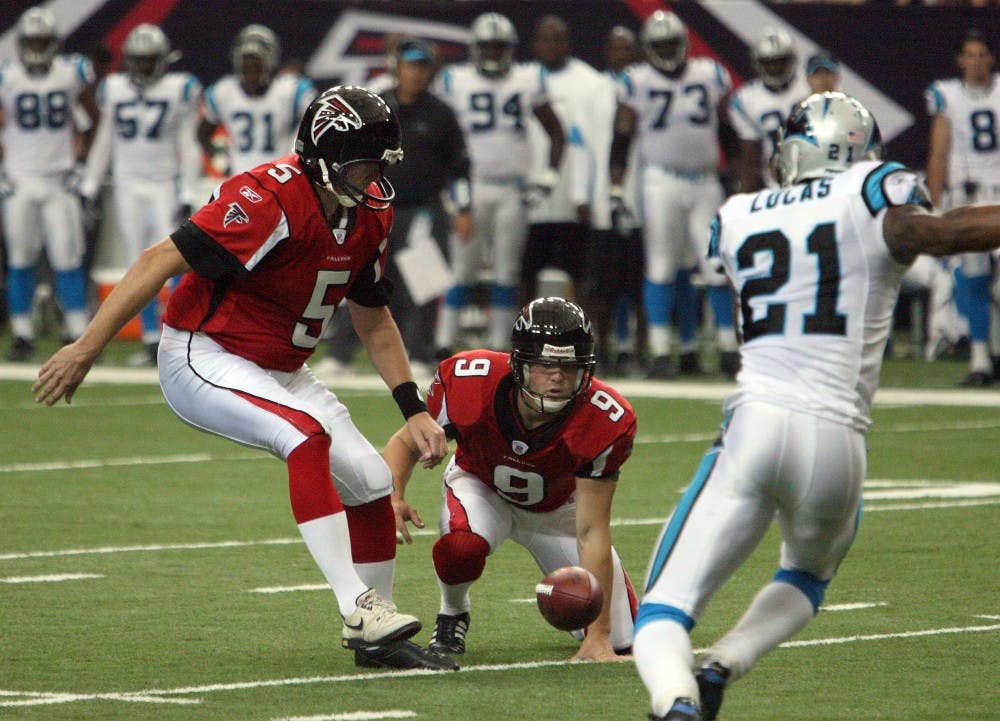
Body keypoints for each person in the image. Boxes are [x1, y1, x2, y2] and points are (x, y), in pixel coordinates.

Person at [33, 86, 457, 672]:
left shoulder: (369, 212)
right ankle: (356, 605)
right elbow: (159, 259)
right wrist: (87, 348)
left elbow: (372, 314)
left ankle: (375, 637)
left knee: (371, 480)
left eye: (380, 164)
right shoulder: (269, 198)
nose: (375, 179)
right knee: (305, 434)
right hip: (203, 352)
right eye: (363, 163)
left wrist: (411, 406)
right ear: (325, 157)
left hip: (283, 365)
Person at [632, 91, 1000, 721]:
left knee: (662, 612)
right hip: (839, 444)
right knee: (806, 577)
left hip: (757, 425)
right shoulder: (870, 189)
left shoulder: (738, 214)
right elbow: (938, 234)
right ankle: (726, 660)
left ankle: (676, 703)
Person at [386, 297, 639, 662]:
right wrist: (392, 495)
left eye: (570, 367)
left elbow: (592, 529)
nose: (558, 377)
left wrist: (598, 635)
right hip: (482, 487)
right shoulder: (470, 380)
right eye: (546, 364)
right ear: (519, 364)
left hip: (558, 511)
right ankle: (452, 613)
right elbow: (406, 441)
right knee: (461, 548)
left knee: (621, 641)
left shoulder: (605, 417)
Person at [315, 37, 473, 381]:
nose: (415, 74)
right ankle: (341, 354)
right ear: (396, 67)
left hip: (424, 210)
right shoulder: (379, 108)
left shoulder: (441, 114)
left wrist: (464, 207)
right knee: (356, 275)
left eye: (422, 67)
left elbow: (460, 166)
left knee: (424, 282)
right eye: (410, 66)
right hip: (373, 206)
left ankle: (419, 353)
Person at [611, 10, 738, 380]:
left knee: (716, 264)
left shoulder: (710, 75)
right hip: (660, 180)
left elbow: (726, 129)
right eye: (660, 45)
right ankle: (662, 351)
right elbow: (622, 137)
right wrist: (616, 187)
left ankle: (729, 348)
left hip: (705, 180)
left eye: (672, 43)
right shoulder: (636, 81)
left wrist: (732, 179)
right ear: (649, 48)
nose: (667, 50)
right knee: (662, 265)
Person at [434, 12, 565, 355]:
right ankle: (443, 343)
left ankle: (498, 346)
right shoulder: (454, 80)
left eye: (498, 47)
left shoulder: (527, 79)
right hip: (472, 186)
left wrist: (548, 178)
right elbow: (442, 139)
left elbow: (556, 131)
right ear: (475, 48)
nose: (493, 53)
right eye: (487, 47)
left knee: (508, 269)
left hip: (512, 188)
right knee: (463, 267)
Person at [79, 24, 203, 366]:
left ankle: (175, 331)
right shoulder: (114, 88)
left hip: (163, 183)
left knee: (173, 258)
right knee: (139, 262)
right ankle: (151, 338)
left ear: (162, 60)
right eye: (139, 60)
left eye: (150, 60)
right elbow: (105, 140)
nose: (145, 67)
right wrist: (90, 184)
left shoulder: (180, 88)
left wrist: (188, 189)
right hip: (126, 184)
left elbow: (188, 143)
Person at [1, 5, 98, 361]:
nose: (38, 48)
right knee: (20, 258)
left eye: (44, 41)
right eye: (33, 41)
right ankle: (23, 335)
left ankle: (76, 332)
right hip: (20, 179)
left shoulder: (71, 72)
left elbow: (92, 121)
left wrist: (83, 165)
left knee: (67, 257)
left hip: (59, 179)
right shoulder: (8, 76)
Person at [925, 29, 1000, 386]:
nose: (975, 62)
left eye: (981, 54)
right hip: (967, 198)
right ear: (959, 60)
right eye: (969, 55)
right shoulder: (947, 96)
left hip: (999, 194)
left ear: (991, 58)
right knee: (973, 279)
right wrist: (935, 204)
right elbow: (939, 153)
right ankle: (981, 358)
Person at [520, 15, 604, 303]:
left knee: (579, 273)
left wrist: (588, 192)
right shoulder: (523, 78)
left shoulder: (592, 82)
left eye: (557, 39)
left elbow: (594, 142)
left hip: (571, 198)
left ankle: (578, 333)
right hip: (530, 197)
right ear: (534, 43)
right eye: (545, 39)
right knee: (524, 273)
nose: (551, 46)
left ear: (568, 43)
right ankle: (524, 335)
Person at [578, 25, 646, 378]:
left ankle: (637, 350)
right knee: (601, 285)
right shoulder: (595, 91)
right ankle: (600, 349)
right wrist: (581, 192)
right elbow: (583, 145)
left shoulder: (648, 84)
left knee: (639, 283)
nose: (621, 55)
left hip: (646, 192)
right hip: (606, 195)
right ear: (607, 53)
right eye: (615, 49)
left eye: (627, 48)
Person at [198, 24, 316, 178]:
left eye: (256, 65)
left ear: (269, 62)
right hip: (238, 177)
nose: (251, 72)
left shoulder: (291, 91)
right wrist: (220, 159)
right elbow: (202, 133)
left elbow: (315, 124)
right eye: (246, 65)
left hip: (281, 176)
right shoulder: (223, 92)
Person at [728, 27, 809, 193]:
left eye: (780, 61)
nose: (775, 68)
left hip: (815, 180)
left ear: (791, 60)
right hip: (776, 185)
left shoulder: (810, 87)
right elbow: (751, 156)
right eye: (769, 62)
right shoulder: (746, 99)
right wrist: (745, 195)